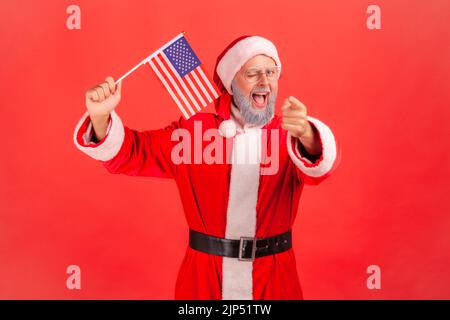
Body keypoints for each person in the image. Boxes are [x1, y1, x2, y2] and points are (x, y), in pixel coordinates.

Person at [73, 35, 340, 300]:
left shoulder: (290, 133)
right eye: (253, 73)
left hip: (274, 279)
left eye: (271, 72)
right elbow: (131, 153)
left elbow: (320, 167)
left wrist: (306, 133)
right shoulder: (193, 133)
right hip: (204, 281)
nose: (265, 82)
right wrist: (100, 116)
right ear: (231, 84)